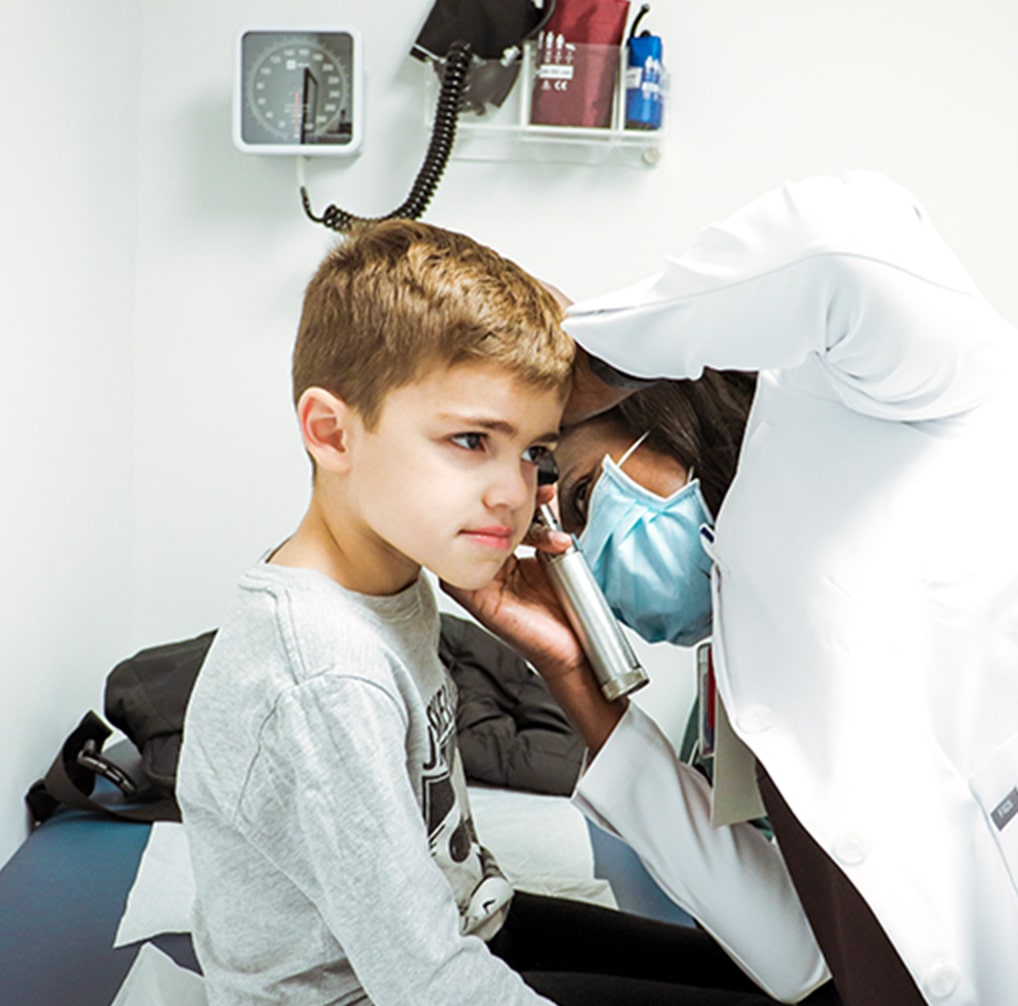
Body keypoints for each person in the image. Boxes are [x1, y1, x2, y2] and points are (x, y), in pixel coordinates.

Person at [176, 219, 837, 1006]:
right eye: (468, 441)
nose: (513, 495)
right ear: (331, 432)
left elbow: (800, 955)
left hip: (476, 925)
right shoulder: (324, 670)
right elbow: (422, 979)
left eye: (533, 453)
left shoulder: (391, 584)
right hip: (374, 991)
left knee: (811, 991)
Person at [447, 171, 1018, 1005]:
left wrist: (584, 371)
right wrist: (574, 680)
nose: (574, 544)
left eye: (574, 494)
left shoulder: (883, 410)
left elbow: (839, 245)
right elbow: (797, 955)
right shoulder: (746, 661)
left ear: (662, 409)